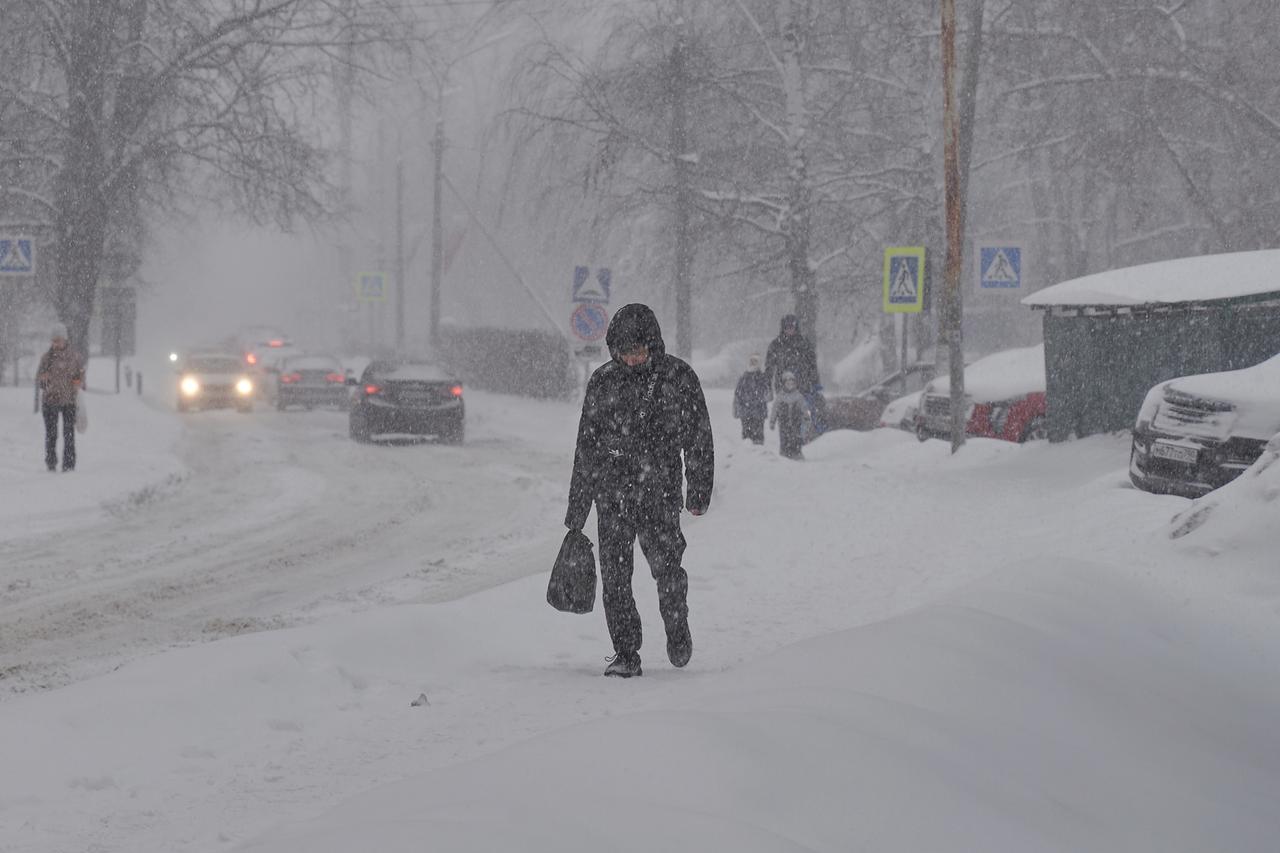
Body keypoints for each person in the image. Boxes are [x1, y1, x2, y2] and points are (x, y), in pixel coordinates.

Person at [565, 303, 714, 678]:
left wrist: (698, 490)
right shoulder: (603, 382)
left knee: (667, 568)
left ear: (654, 345)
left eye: (638, 353)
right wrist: (578, 509)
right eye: (623, 353)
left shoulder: (678, 378)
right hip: (611, 496)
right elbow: (587, 446)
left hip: (659, 493)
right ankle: (626, 653)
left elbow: (699, 437)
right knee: (615, 578)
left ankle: (676, 627)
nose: (631, 361)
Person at [36, 322, 85, 472]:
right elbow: (39, 379)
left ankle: (69, 465)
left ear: (65, 339)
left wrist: (78, 381)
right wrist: (43, 379)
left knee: (68, 434)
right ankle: (51, 463)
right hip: (50, 401)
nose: (55, 343)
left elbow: (81, 375)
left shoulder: (75, 357)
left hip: (69, 401)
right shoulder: (46, 358)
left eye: (58, 340)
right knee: (51, 435)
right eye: (53, 340)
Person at [764, 314, 825, 435]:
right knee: (784, 416)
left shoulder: (804, 344)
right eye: (787, 327)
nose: (790, 329)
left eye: (792, 326)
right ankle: (787, 441)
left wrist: (815, 383)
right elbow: (769, 368)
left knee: (803, 412)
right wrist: (768, 387)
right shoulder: (776, 345)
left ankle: (803, 438)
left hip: (803, 386)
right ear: (783, 328)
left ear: (796, 327)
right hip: (783, 388)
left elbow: (812, 365)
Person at [769, 370, 810, 460]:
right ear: (784, 384)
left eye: (792, 383)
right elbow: (774, 409)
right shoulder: (780, 397)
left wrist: (806, 418)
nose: (790, 385)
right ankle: (784, 453)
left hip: (796, 422)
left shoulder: (798, 396)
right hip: (784, 423)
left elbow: (805, 409)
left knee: (796, 438)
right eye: (788, 383)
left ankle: (797, 453)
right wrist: (772, 421)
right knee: (784, 439)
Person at [733, 353, 771, 444]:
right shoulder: (743, 378)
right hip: (745, 411)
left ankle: (758, 451)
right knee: (747, 435)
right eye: (752, 361)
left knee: (758, 435)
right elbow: (737, 394)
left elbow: (767, 394)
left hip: (759, 411)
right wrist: (736, 408)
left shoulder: (762, 378)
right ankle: (747, 453)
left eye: (755, 361)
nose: (753, 363)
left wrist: (760, 400)